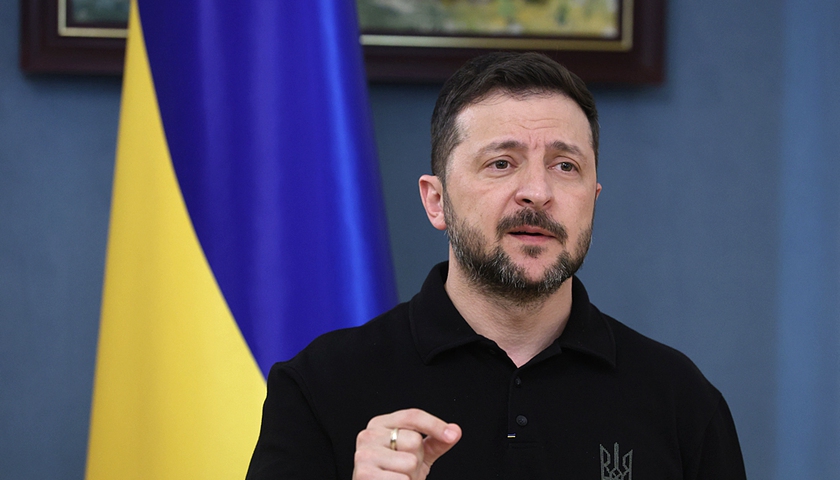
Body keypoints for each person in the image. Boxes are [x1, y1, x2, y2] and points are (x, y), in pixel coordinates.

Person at [245, 52, 746, 480]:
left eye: (565, 166)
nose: (538, 192)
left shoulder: (682, 399)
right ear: (436, 201)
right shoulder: (318, 386)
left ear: (592, 199)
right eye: (501, 163)